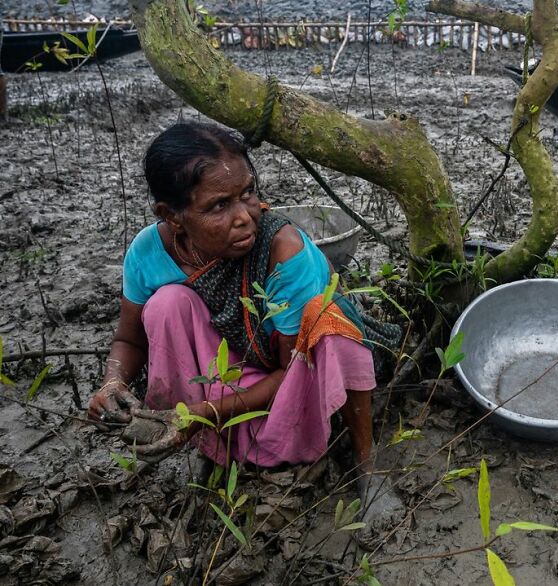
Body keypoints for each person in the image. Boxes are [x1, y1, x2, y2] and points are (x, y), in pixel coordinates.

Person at [87, 121, 383, 495]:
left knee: (330, 322)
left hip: (289, 381)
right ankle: (208, 442)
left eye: (247, 193)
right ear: (172, 215)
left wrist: (205, 413)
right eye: (219, 206)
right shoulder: (149, 251)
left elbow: (288, 371)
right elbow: (128, 340)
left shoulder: (284, 250)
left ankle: (366, 461)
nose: (245, 216)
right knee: (166, 304)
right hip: (225, 381)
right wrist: (113, 383)